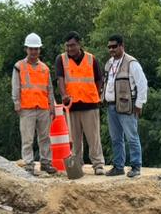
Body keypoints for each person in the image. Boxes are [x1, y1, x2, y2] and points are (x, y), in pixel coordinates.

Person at [55, 32, 105, 175]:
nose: (69, 49)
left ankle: (98, 164)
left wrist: (96, 93)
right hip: (71, 105)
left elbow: (99, 79)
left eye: (72, 45)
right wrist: (64, 95)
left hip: (90, 104)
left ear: (79, 44)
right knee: (75, 139)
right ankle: (77, 165)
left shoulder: (91, 59)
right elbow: (60, 79)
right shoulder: (61, 59)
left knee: (93, 137)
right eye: (67, 46)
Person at [102, 35, 148, 178]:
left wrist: (139, 104)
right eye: (109, 47)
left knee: (131, 137)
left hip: (127, 106)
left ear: (122, 46)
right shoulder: (109, 63)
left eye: (114, 46)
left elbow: (142, 84)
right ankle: (118, 166)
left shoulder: (131, 63)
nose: (111, 49)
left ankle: (136, 166)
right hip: (111, 106)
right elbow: (106, 83)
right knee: (116, 138)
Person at [12, 33, 56, 175]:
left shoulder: (44, 68)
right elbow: (16, 86)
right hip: (27, 107)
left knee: (45, 137)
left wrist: (52, 106)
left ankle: (46, 163)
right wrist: (16, 102)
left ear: (39, 50)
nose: (34, 51)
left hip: (43, 107)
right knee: (27, 138)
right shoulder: (19, 66)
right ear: (26, 49)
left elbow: (49, 88)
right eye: (31, 49)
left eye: (36, 49)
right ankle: (29, 165)